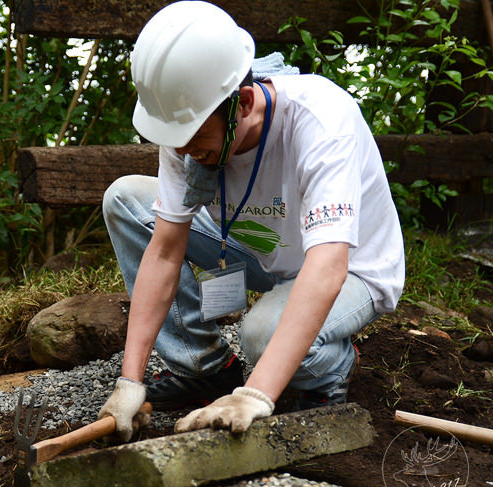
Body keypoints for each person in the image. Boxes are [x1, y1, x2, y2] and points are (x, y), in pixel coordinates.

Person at [98, 1, 404, 440]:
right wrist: (130, 381)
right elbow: (164, 251)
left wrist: (255, 394)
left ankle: (333, 367)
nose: (181, 152)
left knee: (261, 336)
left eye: (193, 140)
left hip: (349, 267)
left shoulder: (321, 120)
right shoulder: (189, 125)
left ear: (241, 103)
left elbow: (327, 266)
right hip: (264, 250)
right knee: (126, 201)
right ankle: (203, 368)